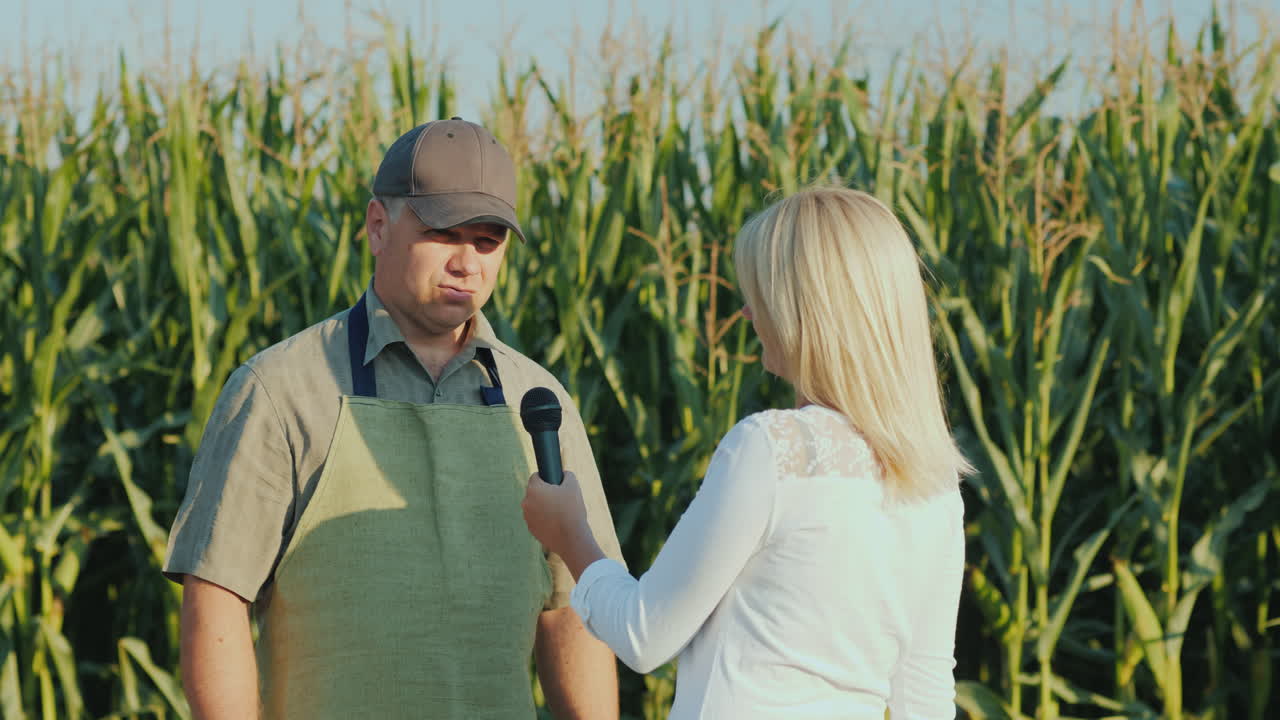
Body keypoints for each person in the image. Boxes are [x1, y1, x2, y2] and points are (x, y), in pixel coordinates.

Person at [164, 117, 625, 720]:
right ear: (378, 226)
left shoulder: (538, 401)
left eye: (488, 240)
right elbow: (217, 599)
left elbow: (573, 605)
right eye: (445, 233)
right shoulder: (281, 389)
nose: (468, 262)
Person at [522, 185, 972, 719]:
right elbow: (925, 693)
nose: (747, 310)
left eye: (761, 291)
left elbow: (645, 634)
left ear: (805, 310)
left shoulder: (774, 448)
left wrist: (569, 532)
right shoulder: (934, 481)